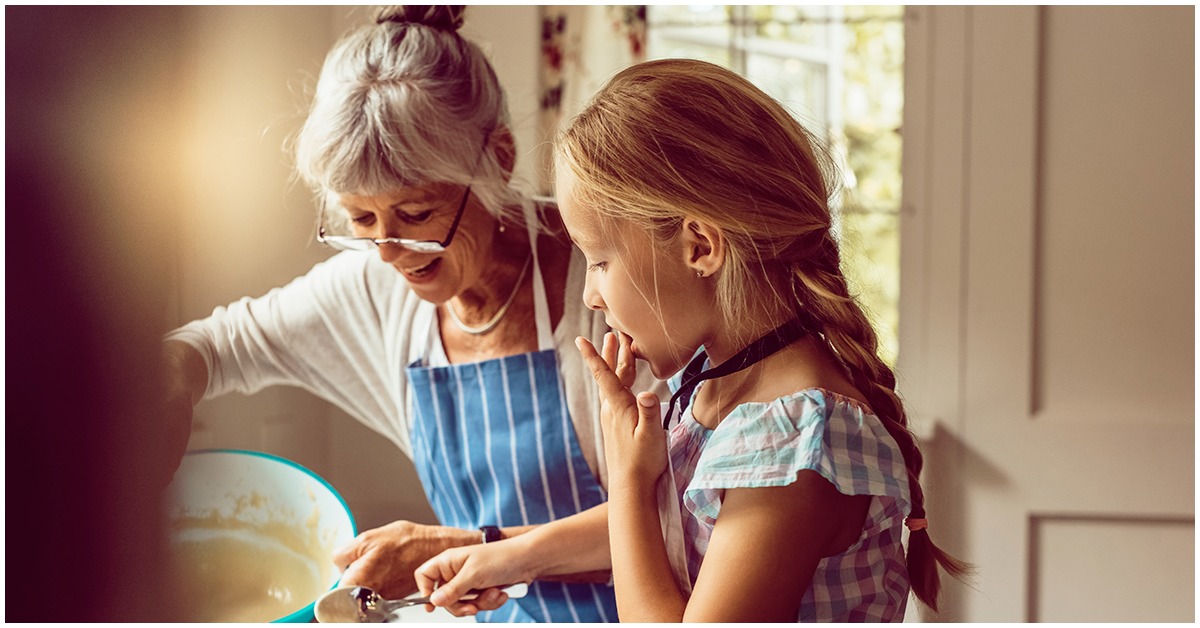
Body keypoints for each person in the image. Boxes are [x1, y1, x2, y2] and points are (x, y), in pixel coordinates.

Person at [413, 58, 972, 622]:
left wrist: (629, 477)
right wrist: (502, 558)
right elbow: (676, 521)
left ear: (700, 246)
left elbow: (650, 527)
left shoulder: (796, 444)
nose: (590, 296)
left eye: (601, 261)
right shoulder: (712, 381)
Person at [161, 6, 664, 623]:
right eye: (360, 221)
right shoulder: (376, 285)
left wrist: (473, 547)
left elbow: (680, 518)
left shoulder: (606, 286)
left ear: (497, 161)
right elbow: (216, 347)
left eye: (417, 215)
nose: (390, 252)